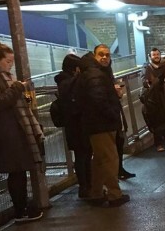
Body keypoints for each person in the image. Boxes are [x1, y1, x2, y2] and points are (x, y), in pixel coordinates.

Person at [0, 41, 44, 222]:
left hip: (15, 129)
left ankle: (23, 207)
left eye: (12, 61)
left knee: (20, 170)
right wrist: (16, 88)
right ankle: (20, 210)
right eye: (7, 61)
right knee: (16, 171)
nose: (10, 65)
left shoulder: (6, 77)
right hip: (5, 132)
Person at [75, 44, 129, 207]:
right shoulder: (96, 74)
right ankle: (114, 194)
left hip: (95, 124)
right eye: (101, 54)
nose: (105, 57)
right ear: (94, 55)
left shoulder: (93, 72)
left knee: (99, 160)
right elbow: (98, 100)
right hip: (101, 124)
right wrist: (113, 112)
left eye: (107, 54)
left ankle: (96, 193)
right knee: (110, 159)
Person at [55, 53, 92, 197]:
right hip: (76, 124)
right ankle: (85, 186)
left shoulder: (64, 81)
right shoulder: (67, 82)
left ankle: (87, 185)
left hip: (76, 124)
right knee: (83, 155)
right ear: (74, 68)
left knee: (84, 155)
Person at [142, 47, 165, 151]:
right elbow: (145, 82)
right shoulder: (147, 68)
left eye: (157, 54)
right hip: (154, 99)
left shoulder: (164, 66)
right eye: (154, 55)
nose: (156, 56)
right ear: (150, 56)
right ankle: (159, 144)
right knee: (156, 121)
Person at [114, 80, 136, 180]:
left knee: (119, 147)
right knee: (114, 150)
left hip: (118, 122)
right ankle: (116, 173)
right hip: (113, 124)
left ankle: (119, 170)